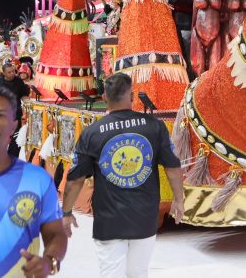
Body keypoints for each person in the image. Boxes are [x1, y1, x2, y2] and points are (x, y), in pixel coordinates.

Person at [62, 73, 184, 278]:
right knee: (138, 272)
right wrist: (179, 200)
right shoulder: (154, 126)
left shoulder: (92, 132)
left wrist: (66, 213)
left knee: (111, 273)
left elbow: (75, 180)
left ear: (103, 98)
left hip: (109, 220)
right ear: (133, 96)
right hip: (144, 216)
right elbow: (172, 167)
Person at [0, 86, 68, 277]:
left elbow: (56, 233)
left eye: (0, 115)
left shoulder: (38, 180)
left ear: (14, 125)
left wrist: (50, 261)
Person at [0, 61, 31, 158]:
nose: (12, 73)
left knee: (16, 138)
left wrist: (28, 104)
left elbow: (24, 95)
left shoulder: (18, 81)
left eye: (13, 71)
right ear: (3, 73)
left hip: (16, 113)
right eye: (9, 72)